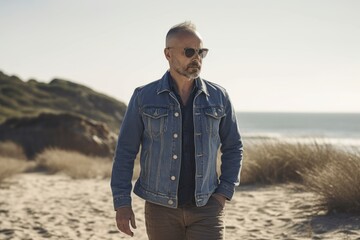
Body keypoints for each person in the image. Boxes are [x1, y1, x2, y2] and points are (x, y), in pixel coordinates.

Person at [110, 21, 243, 240]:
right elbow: (125, 152)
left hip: (207, 206)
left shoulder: (220, 97)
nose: (197, 58)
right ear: (168, 54)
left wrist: (223, 193)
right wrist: (122, 203)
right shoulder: (143, 97)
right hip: (160, 208)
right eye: (189, 51)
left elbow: (234, 147)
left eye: (202, 52)